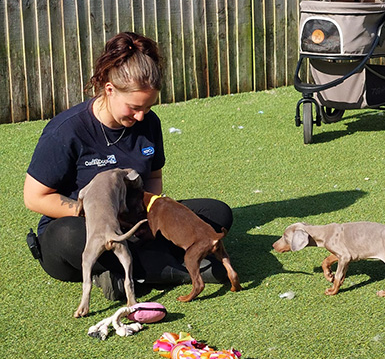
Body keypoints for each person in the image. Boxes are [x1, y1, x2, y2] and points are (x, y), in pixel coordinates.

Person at [24, 32, 234, 300]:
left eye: (147, 107)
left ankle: (122, 274)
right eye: (134, 107)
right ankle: (176, 270)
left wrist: (152, 219)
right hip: (82, 228)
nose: (140, 116)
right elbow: (34, 197)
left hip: (134, 221)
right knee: (65, 235)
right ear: (109, 89)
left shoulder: (149, 122)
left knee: (216, 212)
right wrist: (98, 216)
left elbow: (153, 179)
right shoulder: (66, 130)